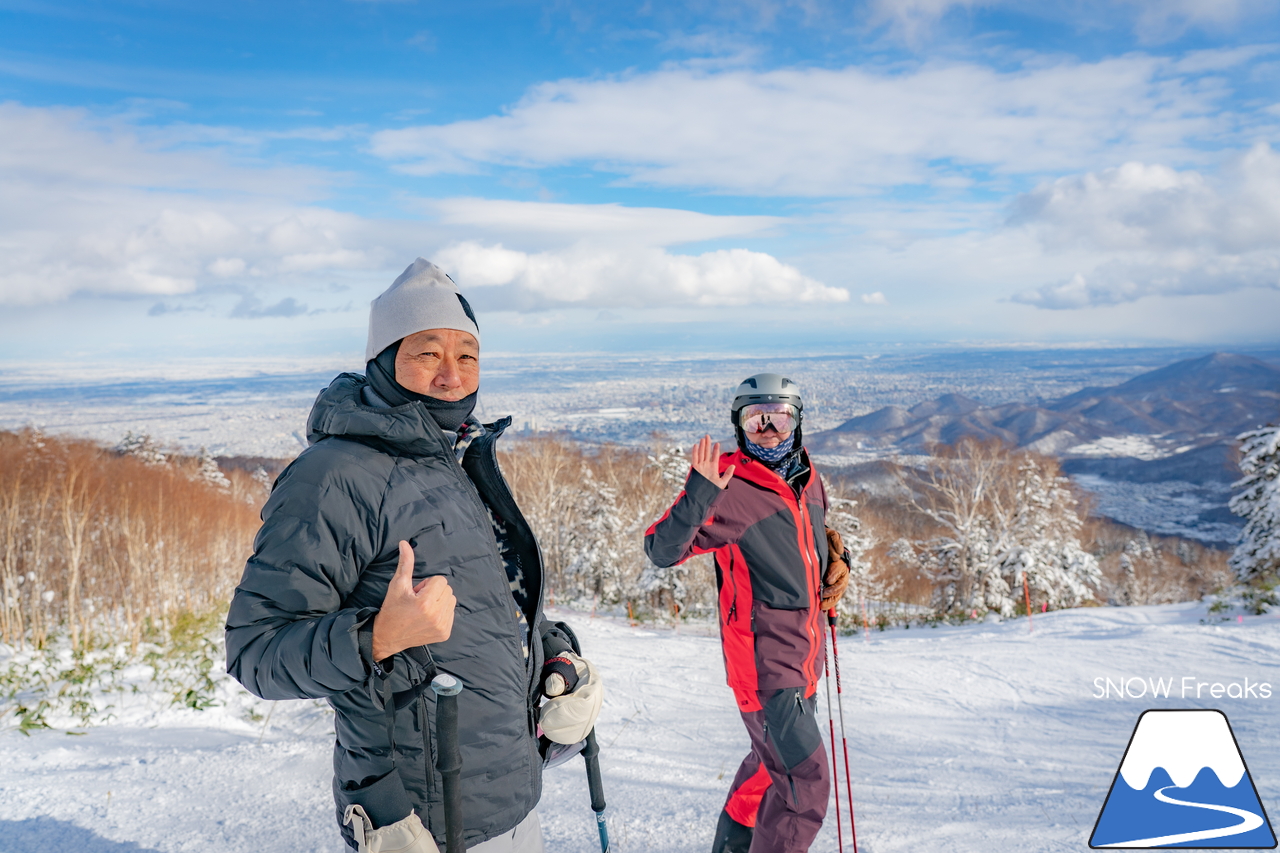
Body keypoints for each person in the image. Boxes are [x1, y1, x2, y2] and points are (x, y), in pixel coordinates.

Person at [226, 258, 601, 853]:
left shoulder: (453, 460)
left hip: (508, 792)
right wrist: (374, 637)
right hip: (419, 816)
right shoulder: (333, 477)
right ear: (384, 361)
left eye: (467, 354)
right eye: (428, 352)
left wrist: (554, 652)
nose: (452, 375)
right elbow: (254, 650)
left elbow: (484, 604)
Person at [644, 373, 850, 853]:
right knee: (806, 789)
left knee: (767, 770)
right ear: (740, 426)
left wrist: (837, 558)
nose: (769, 430)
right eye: (756, 421)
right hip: (764, 667)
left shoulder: (807, 476)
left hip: (805, 659)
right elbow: (661, 549)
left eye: (779, 418)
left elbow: (806, 542)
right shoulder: (727, 487)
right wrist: (699, 491)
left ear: (797, 422)